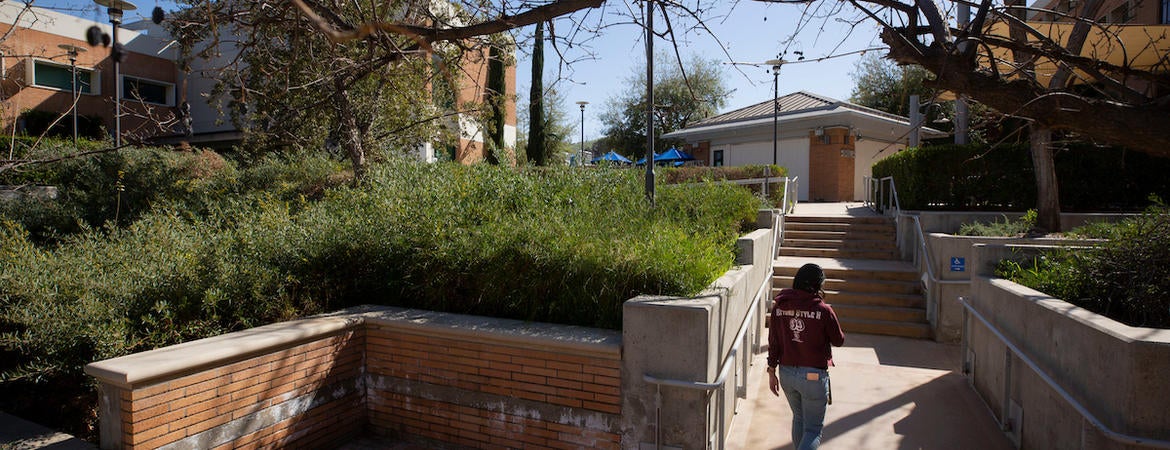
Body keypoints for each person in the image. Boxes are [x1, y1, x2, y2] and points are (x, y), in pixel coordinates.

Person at [767, 263, 845, 450]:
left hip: (786, 374)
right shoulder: (824, 310)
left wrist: (771, 371)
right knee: (813, 430)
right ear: (818, 285)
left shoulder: (780, 307)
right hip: (813, 376)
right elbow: (839, 340)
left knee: (799, 418)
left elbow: (774, 342)